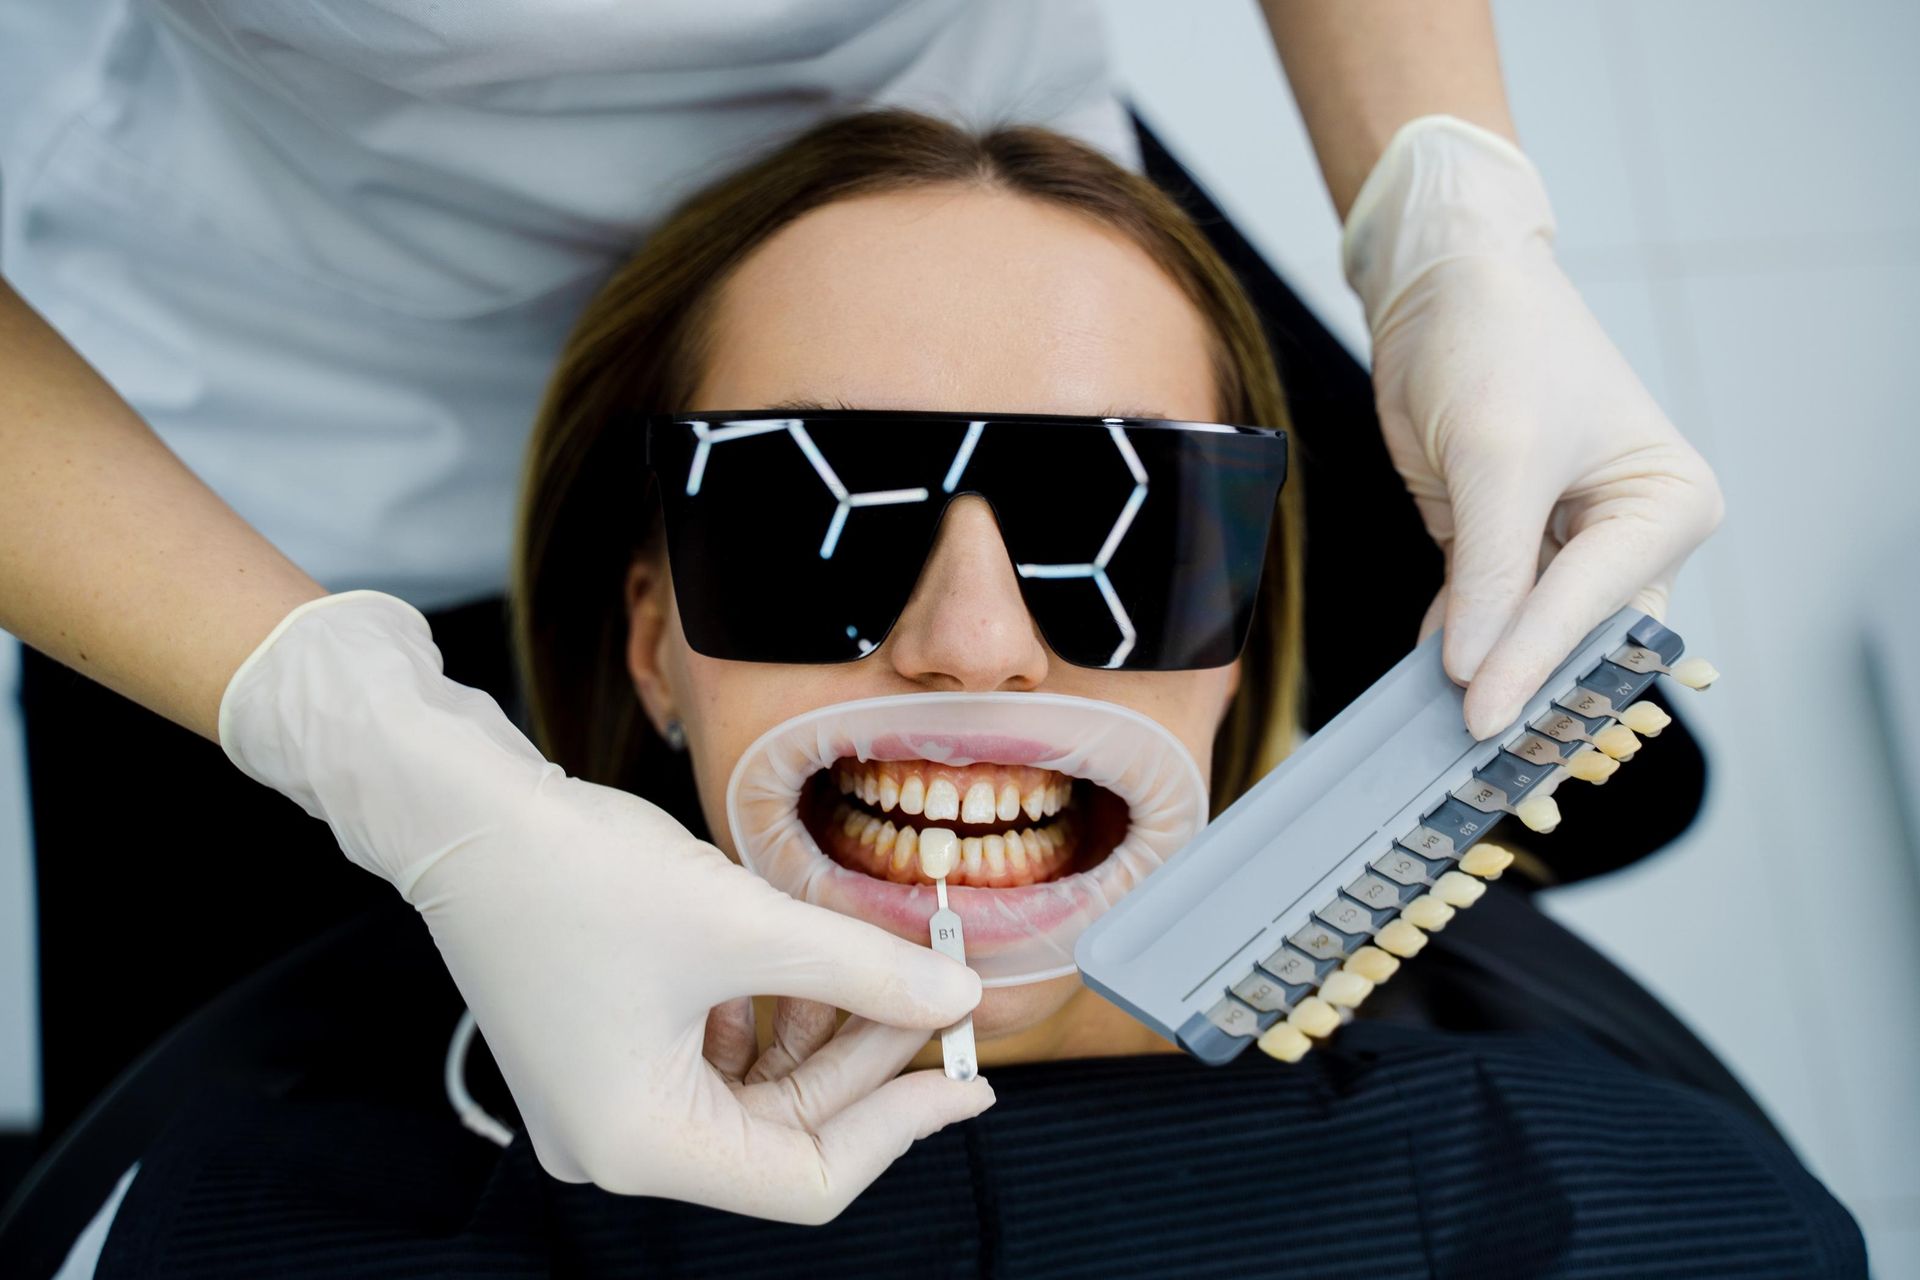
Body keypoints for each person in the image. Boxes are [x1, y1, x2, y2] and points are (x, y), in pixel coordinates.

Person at [42, 109, 1856, 1279]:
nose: (976, 641)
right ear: (654, 638)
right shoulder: (280, 1232)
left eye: (1122, 524)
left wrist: (1453, 206)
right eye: (810, 507)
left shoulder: (1623, 1203)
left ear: (1245, 653)